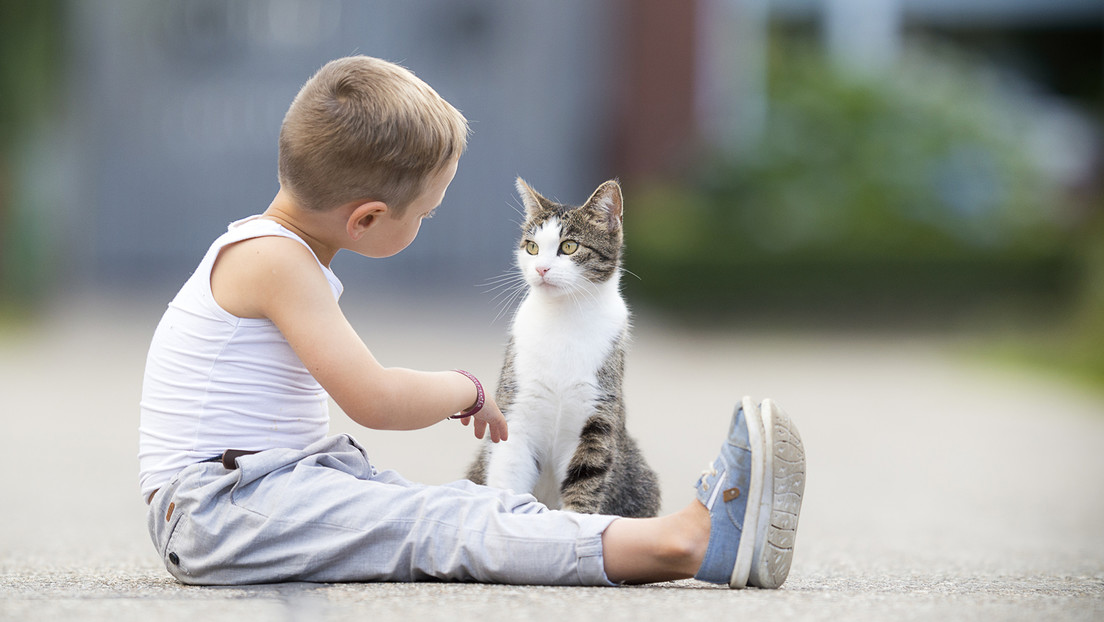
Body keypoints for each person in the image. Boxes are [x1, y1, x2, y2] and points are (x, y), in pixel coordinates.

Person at [138, 55, 806, 589]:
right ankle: (687, 541)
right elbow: (375, 399)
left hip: (257, 493)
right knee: (444, 524)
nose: (426, 223)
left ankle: (624, 536)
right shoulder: (275, 262)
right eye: (424, 214)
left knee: (453, 510)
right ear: (367, 218)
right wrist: (467, 388)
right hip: (217, 510)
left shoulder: (272, 254)